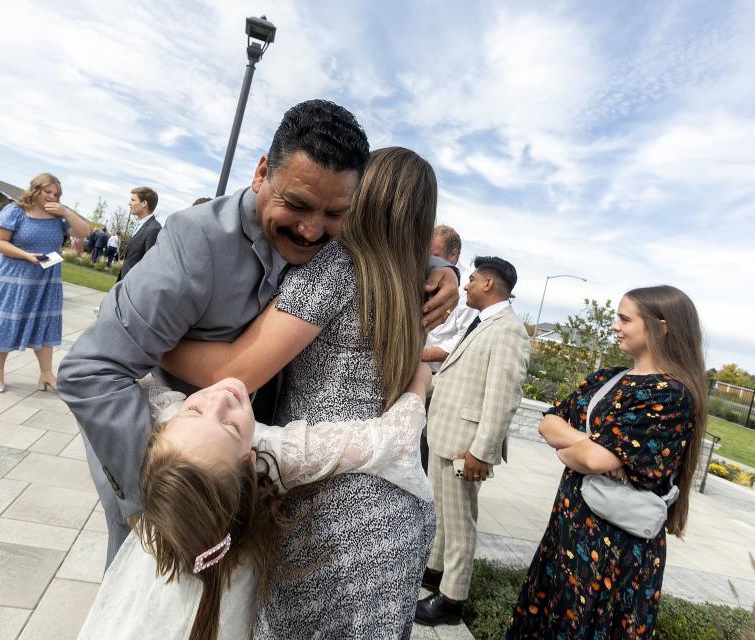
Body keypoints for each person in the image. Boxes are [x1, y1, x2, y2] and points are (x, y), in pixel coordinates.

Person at [57, 100, 459, 569]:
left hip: (251, 463)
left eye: (334, 213)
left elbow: (378, 245)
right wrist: (158, 496)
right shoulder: (195, 243)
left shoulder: (331, 251)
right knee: (150, 585)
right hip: (166, 458)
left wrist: (439, 266)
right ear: (262, 171)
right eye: (297, 204)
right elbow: (90, 369)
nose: (312, 230)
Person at [162, 147, 440, 638]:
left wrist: (154, 341)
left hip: (326, 504)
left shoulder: (335, 269)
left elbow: (236, 372)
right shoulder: (412, 283)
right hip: (397, 511)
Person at [78, 368, 432, 640]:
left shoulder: (175, 428)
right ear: (250, 464)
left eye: (196, 409)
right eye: (231, 427)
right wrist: (418, 384)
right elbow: (393, 439)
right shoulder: (272, 453)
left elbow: (125, 374)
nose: (220, 400)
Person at [505, 285, 708, 639]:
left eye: (625, 318)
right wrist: (589, 448)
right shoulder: (607, 377)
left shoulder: (671, 395)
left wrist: (582, 450)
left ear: (661, 327)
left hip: (612, 554)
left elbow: (591, 458)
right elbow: (548, 422)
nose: (615, 326)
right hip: (568, 533)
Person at [415, 256, 530, 626]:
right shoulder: (485, 323)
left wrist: (482, 452)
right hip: (445, 435)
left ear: (489, 285)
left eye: (473, 278)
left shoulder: (508, 331)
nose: (465, 284)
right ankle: (434, 573)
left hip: (465, 446)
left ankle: (452, 600)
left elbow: (503, 396)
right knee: (442, 517)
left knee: (460, 523)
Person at [0, 173, 89, 393]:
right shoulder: (16, 211)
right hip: (13, 277)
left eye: (56, 194)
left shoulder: (59, 218)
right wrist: (26, 255)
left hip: (45, 281)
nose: (51, 196)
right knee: (6, 322)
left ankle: (46, 374)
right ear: (35, 189)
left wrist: (66, 211)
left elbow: (84, 232)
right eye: (47, 191)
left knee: (44, 325)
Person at [420, 224, 480, 471]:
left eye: (436, 254)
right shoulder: (425, 275)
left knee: (425, 450)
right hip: (415, 371)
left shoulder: (467, 290)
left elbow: (460, 343)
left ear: (454, 255)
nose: (430, 260)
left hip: (438, 382)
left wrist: (416, 356)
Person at [117, 187, 161, 281]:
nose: (129, 203)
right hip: (124, 282)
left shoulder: (154, 229)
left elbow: (150, 264)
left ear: (144, 203)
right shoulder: (140, 225)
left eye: (133, 200)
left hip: (133, 286)